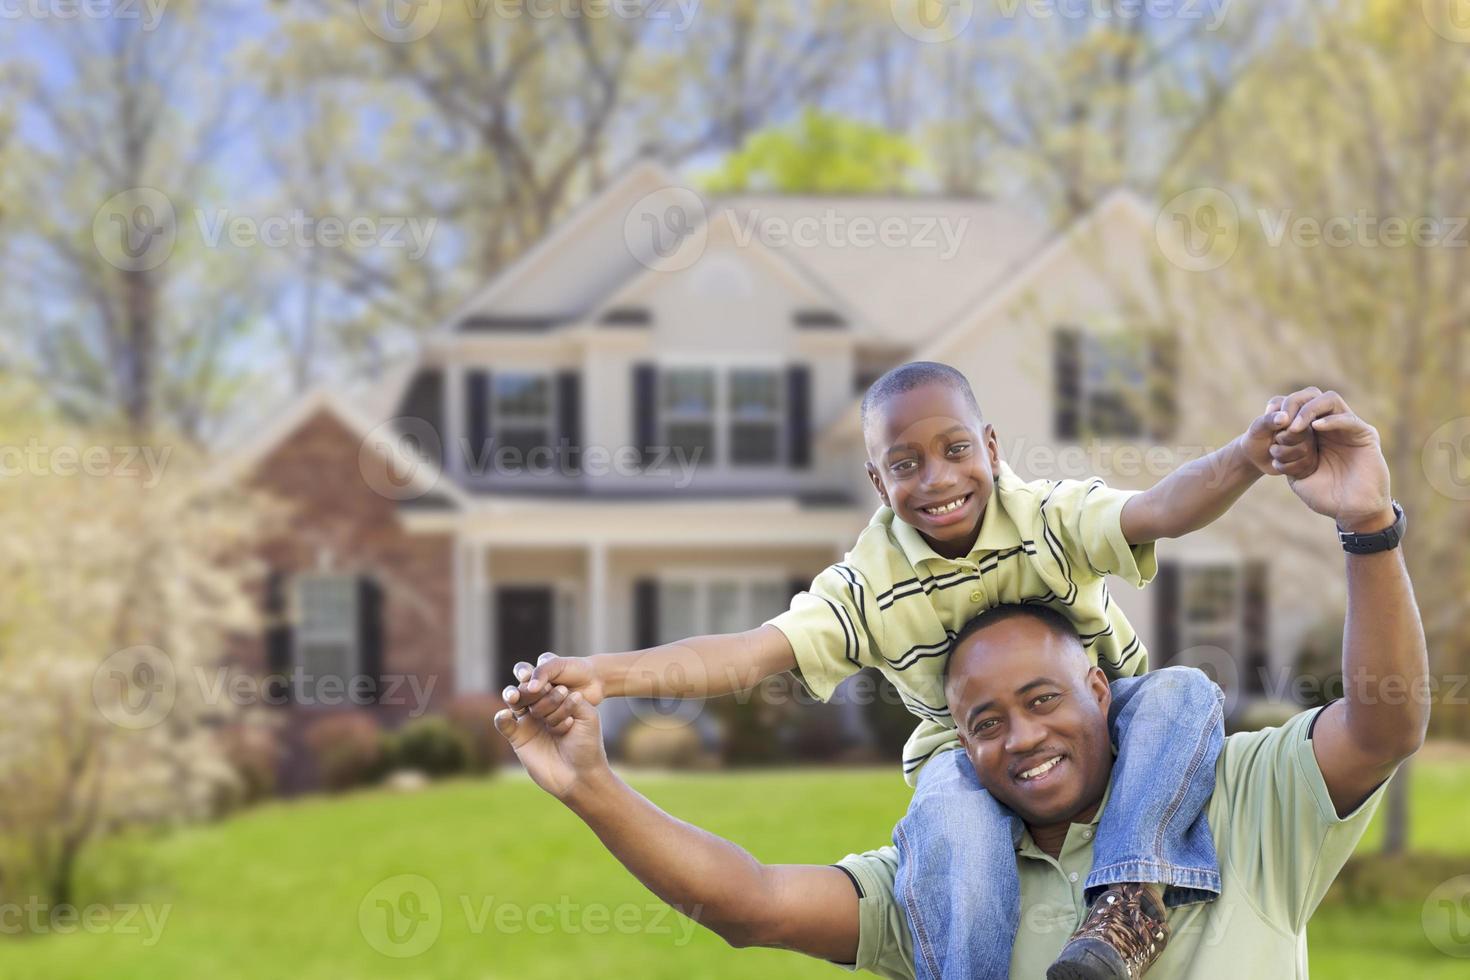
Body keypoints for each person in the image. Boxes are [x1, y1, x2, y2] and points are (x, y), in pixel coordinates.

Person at [496, 389, 1425, 980]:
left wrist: (1332, 506)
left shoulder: (1241, 801)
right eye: (905, 464)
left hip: (1155, 733)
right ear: (876, 478)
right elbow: (751, 880)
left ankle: (1131, 897)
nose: (1021, 735)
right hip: (949, 786)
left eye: (1044, 701)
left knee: (1185, 690)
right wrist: (595, 733)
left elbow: (1380, 725)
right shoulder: (950, 862)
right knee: (946, 803)